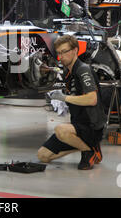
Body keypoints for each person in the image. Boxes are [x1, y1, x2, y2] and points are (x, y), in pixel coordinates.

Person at [38, 35, 106, 170]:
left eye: (64, 51)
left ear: (75, 50)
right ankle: (88, 148)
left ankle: (89, 152)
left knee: (60, 130)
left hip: (92, 127)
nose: (61, 56)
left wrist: (64, 98)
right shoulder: (68, 72)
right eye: (58, 53)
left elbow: (92, 99)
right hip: (77, 125)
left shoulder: (83, 70)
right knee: (42, 156)